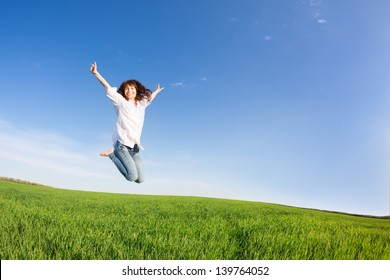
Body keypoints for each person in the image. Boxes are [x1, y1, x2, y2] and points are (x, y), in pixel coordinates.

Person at [90, 62, 164, 183]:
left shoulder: (141, 104)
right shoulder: (120, 102)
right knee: (131, 177)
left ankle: (116, 155)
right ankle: (112, 155)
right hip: (122, 145)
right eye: (127, 89)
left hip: (134, 148)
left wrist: (156, 91)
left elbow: (150, 99)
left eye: (132, 88)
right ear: (124, 92)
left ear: (136, 90)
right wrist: (96, 73)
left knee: (140, 180)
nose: (129, 90)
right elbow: (107, 87)